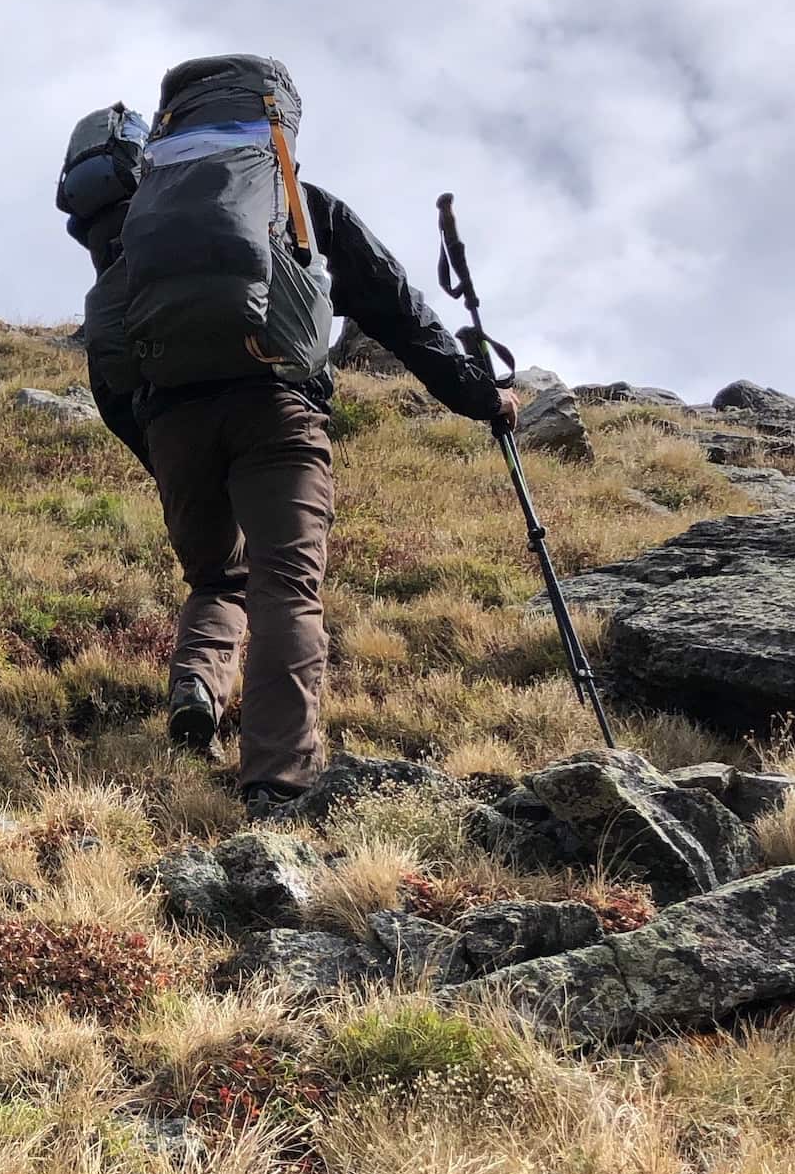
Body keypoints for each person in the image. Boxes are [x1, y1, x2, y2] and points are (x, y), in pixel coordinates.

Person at [80, 53, 515, 812]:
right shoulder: (303, 207)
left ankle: (198, 685)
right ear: (277, 127)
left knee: (218, 577)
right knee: (286, 587)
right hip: (277, 410)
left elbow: (107, 355)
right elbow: (404, 317)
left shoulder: (144, 223)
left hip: (174, 420)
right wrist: (483, 398)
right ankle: (277, 783)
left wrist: (156, 446)